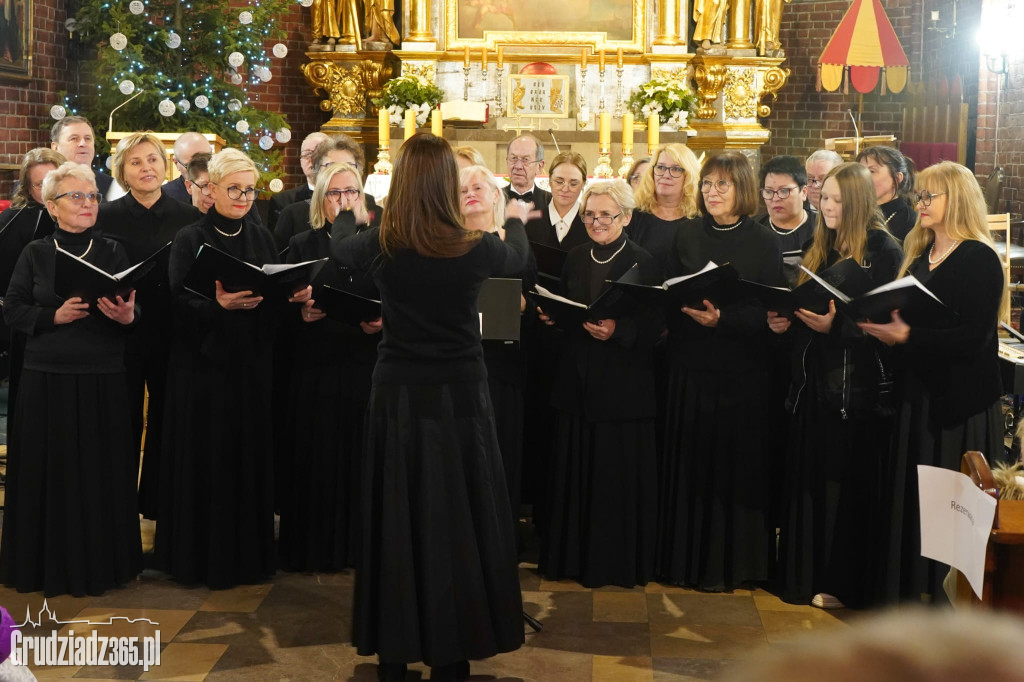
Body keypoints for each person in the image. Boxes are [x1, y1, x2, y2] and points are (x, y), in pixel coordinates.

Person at [331, 134, 535, 682]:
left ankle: (394, 652)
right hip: (461, 395)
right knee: (458, 517)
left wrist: (350, 214)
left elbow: (338, 253)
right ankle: (452, 653)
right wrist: (511, 216)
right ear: (447, 184)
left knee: (396, 513)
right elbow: (518, 259)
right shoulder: (474, 246)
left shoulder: (383, 243)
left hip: (397, 393)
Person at [157, 148, 311, 589]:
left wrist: (291, 296)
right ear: (211, 190)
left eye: (249, 189)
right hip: (204, 368)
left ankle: (250, 557)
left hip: (251, 364)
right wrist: (217, 304)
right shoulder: (191, 237)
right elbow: (176, 301)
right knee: (210, 458)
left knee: (248, 456)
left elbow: (272, 290)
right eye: (234, 189)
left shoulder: (261, 237)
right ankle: (203, 559)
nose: (244, 197)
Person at [860, 161, 1008, 605]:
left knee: (951, 511)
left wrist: (908, 335)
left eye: (930, 197)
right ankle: (913, 596)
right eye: (919, 196)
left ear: (956, 200)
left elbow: (974, 337)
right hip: (917, 397)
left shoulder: (977, 256)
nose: (920, 204)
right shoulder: (921, 256)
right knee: (918, 505)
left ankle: (948, 608)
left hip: (956, 404)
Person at [0, 161, 141, 596]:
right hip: (48, 378)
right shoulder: (36, 252)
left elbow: (137, 308)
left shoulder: (115, 250)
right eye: (76, 196)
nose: (87, 204)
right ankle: (46, 563)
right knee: (52, 473)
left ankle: (103, 565)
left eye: (93, 196)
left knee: (100, 474)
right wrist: (51, 315)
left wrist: (128, 315)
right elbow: (13, 307)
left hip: (103, 375)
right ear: (52, 204)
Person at [767, 162, 902, 610]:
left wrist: (837, 327)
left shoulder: (885, 250)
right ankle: (802, 575)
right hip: (811, 386)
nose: (827, 206)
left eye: (838, 200)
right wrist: (783, 320)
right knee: (809, 483)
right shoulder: (815, 246)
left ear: (859, 202)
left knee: (842, 488)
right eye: (824, 197)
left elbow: (888, 324)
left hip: (855, 391)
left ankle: (841, 581)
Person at [657, 151, 783, 592]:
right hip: (691, 366)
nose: (712, 192)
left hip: (741, 372)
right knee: (691, 464)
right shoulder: (687, 234)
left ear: (742, 189)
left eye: (722, 185)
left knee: (735, 465)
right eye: (707, 184)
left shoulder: (763, 241)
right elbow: (668, 293)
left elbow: (771, 308)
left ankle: (734, 565)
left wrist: (724, 320)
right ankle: (683, 562)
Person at [537, 180, 662, 588]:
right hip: (578, 383)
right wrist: (554, 317)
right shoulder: (575, 257)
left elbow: (659, 327)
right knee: (576, 475)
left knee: (614, 481)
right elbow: (570, 303)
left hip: (623, 390)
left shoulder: (645, 262)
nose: (596, 222)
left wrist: (619, 329)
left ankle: (613, 564)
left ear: (625, 217)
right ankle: (572, 560)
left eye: (605, 215)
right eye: (589, 215)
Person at [278, 162, 380, 573]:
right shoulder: (301, 243)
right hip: (316, 366)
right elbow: (277, 302)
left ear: (364, 199)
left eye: (351, 192)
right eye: (335, 193)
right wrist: (296, 311)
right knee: (317, 459)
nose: (343, 201)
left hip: (364, 365)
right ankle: (315, 547)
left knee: (362, 459)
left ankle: (362, 548)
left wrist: (384, 318)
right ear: (321, 198)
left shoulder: (377, 242)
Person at [95, 132, 201, 519]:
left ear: (166, 164)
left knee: (166, 419)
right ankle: (117, 509)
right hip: (120, 331)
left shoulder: (189, 217)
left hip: (174, 332)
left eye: (153, 159)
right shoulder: (105, 217)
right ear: (122, 169)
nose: (146, 168)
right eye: (136, 162)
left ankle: (158, 505)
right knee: (121, 420)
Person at [460, 164, 538, 545]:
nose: (471, 193)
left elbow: (539, 309)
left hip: (503, 369)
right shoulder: (446, 245)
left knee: (500, 454)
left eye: (479, 186)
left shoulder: (515, 245)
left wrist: (523, 306)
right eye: (462, 189)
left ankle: (499, 541)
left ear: (496, 195)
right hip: (458, 368)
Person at [0, 148, 64, 412]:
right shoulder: (11, 220)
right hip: (26, 323)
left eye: (53, 180)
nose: (48, 189)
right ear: (27, 187)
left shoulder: (83, 217)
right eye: (40, 184)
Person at [273, 134, 381, 250]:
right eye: (332, 166)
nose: (340, 171)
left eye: (348, 166)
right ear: (317, 170)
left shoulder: (378, 214)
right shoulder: (293, 215)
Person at [628, 143, 701, 279]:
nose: (666, 175)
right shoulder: (634, 215)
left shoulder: (699, 219)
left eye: (676, 169)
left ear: (689, 176)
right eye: (660, 167)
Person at [523, 151, 590, 251]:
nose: (565, 189)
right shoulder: (530, 221)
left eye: (573, 184)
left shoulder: (591, 223)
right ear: (550, 181)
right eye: (559, 182)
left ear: (583, 184)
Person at [756, 155, 816, 260]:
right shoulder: (753, 229)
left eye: (784, 191)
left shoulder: (823, 228)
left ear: (803, 192)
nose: (775, 198)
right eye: (769, 192)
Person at [268, 131, 329, 231]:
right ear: (301, 161)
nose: (313, 159)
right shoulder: (282, 202)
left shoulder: (347, 198)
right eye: (308, 154)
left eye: (320, 154)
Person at [50, 115, 122, 200]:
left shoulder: (112, 186)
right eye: (74, 139)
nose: (83, 144)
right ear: (55, 148)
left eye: (87, 138)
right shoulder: (45, 184)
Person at [857, 145, 917, 241]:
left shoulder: (910, 222)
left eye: (872, 171)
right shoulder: (855, 212)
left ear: (897, 179)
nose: (863, 177)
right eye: (861, 171)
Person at [163, 132, 213, 205]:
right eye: (190, 166)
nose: (200, 171)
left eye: (206, 162)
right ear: (176, 163)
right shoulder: (164, 197)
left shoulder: (226, 189)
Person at [503, 134, 550, 208]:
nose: (518, 166)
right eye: (514, 158)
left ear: (539, 167)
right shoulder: (493, 199)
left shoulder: (551, 202)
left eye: (525, 159)